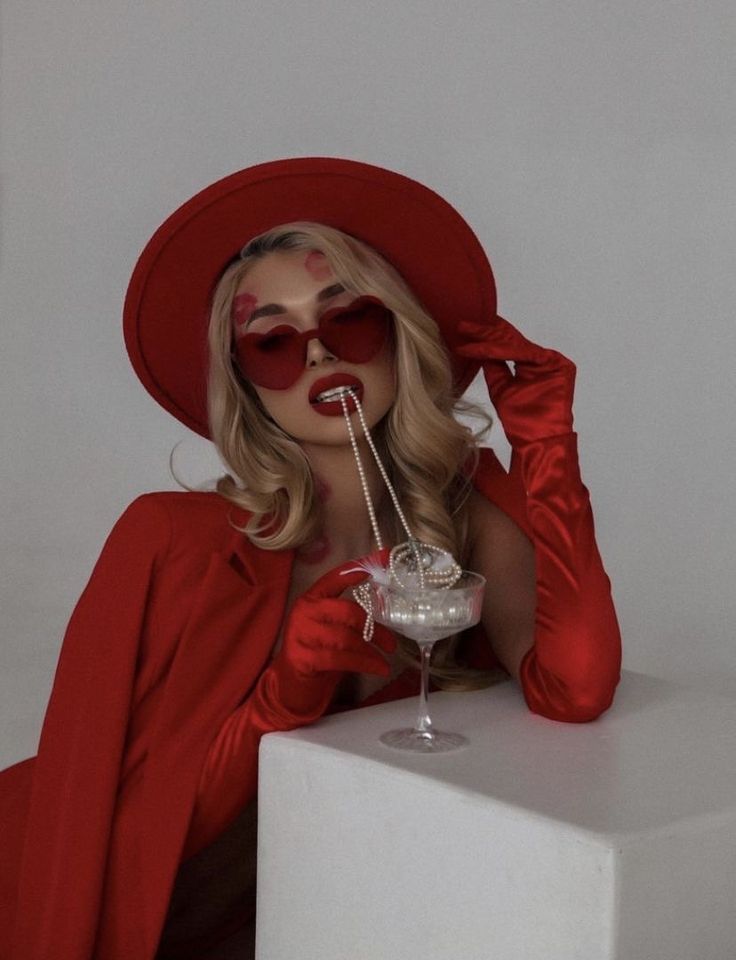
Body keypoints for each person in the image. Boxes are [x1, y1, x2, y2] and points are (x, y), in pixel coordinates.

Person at [0, 157, 622, 959]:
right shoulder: (169, 542)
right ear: (247, 384)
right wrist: (278, 702)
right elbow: (129, 840)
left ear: (399, 331)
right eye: (274, 343)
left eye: (350, 321)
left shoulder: (469, 512)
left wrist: (549, 452)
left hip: (306, 920)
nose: (321, 358)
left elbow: (576, 689)